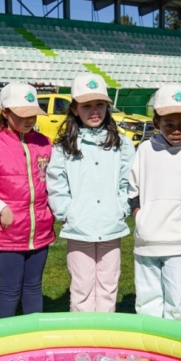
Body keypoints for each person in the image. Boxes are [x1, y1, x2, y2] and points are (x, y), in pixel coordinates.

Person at [47, 72, 134, 313]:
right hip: (79, 227)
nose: (94, 111)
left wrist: (121, 208)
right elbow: (56, 182)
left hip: (110, 225)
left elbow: (128, 180)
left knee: (108, 287)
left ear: (107, 107)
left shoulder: (122, 143)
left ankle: (104, 342)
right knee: (82, 288)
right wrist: (66, 212)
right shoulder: (64, 145)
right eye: (87, 106)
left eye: (99, 105)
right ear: (75, 109)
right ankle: (81, 344)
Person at [0, 82, 54, 319]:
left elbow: (53, 182)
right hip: (7, 234)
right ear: (5, 113)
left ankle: (33, 339)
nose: (29, 120)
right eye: (22, 115)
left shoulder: (45, 142)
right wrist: (0, 207)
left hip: (40, 232)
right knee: (10, 290)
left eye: (33, 115)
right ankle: (2, 343)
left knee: (34, 287)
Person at [128, 83, 181, 322]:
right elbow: (132, 188)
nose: (176, 130)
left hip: (179, 241)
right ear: (157, 122)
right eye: (169, 124)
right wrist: (140, 215)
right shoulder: (145, 149)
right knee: (147, 300)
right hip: (147, 239)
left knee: (178, 302)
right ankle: (149, 350)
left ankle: (176, 352)